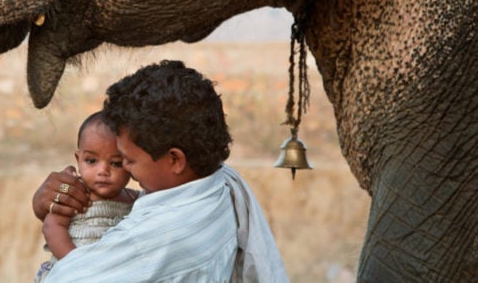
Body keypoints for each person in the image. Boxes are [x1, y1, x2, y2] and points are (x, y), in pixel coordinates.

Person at [33, 60, 288, 282]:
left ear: (175, 160)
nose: (128, 173)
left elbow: (69, 277)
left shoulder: (153, 240)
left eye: (127, 161)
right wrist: (48, 200)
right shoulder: (216, 182)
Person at [35, 111, 139, 282]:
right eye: (91, 161)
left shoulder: (134, 199)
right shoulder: (75, 193)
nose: (102, 171)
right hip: (72, 272)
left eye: (115, 163)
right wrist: (75, 263)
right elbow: (51, 227)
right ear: (78, 159)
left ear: (130, 163)